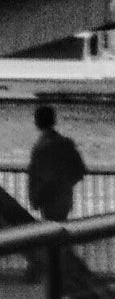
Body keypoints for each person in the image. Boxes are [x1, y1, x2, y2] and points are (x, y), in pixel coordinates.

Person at [24, 103, 86, 279]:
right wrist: (65, 184)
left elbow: (36, 174)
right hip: (64, 196)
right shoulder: (65, 143)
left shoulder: (41, 147)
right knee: (59, 233)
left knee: (49, 233)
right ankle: (63, 270)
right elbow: (79, 169)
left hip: (48, 197)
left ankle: (39, 269)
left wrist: (36, 196)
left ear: (37, 122)